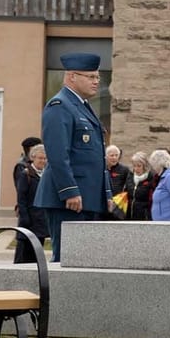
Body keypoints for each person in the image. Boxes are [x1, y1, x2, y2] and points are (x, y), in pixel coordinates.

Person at [34, 53, 112, 262]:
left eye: (97, 77)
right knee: (66, 260)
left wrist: (106, 194)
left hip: (86, 199)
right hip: (69, 201)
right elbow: (58, 154)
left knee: (83, 261)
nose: (96, 82)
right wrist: (69, 191)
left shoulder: (82, 106)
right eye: (91, 77)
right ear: (71, 77)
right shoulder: (60, 106)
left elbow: (96, 158)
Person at [14, 143, 49, 262]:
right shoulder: (26, 174)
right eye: (40, 158)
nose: (42, 161)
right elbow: (21, 199)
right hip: (28, 221)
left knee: (37, 254)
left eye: (45, 158)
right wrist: (25, 218)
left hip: (41, 221)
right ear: (33, 158)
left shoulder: (46, 174)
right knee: (25, 255)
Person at [126, 151, 153, 221]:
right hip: (129, 214)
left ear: (145, 166)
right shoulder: (130, 175)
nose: (136, 169)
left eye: (139, 166)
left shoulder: (151, 177)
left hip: (144, 215)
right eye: (134, 166)